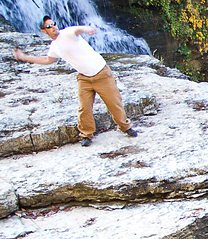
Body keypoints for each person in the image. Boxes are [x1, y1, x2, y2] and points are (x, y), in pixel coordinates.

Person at [13, 16, 138, 147]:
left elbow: (77, 30)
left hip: (102, 74)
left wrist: (87, 29)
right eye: (49, 26)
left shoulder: (67, 33)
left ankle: (125, 127)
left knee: (114, 103)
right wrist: (25, 57)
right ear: (44, 31)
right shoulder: (54, 47)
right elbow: (47, 60)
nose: (53, 27)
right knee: (84, 108)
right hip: (84, 78)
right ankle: (86, 135)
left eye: (53, 23)